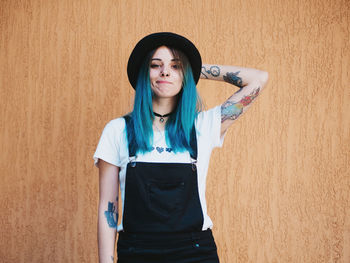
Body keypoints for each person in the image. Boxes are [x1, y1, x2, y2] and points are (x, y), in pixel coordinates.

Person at [94, 32, 268, 263]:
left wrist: (193, 67)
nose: (165, 71)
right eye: (155, 66)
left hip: (195, 252)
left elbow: (258, 79)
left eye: (175, 67)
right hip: (137, 253)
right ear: (143, 75)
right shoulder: (118, 130)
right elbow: (108, 207)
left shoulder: (203, 127)